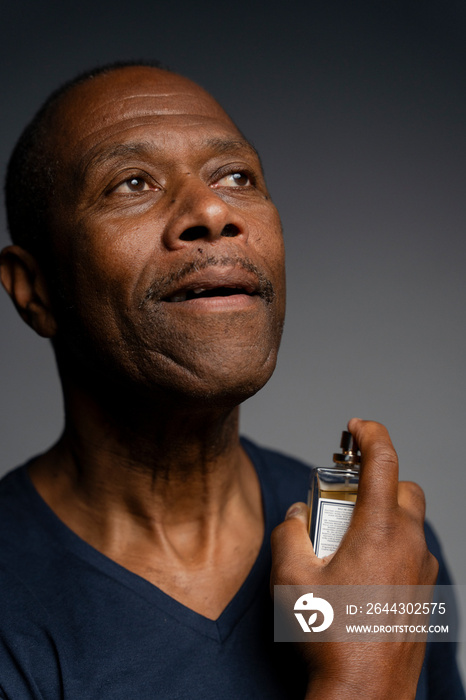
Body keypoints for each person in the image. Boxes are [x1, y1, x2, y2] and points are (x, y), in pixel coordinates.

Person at [0, 61, 463, 700]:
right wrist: (361, 680)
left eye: (237, 176)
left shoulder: (383, 550)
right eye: (132, 183)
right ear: (35, 289)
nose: (213, 209)